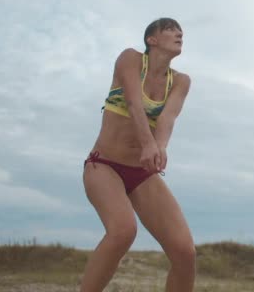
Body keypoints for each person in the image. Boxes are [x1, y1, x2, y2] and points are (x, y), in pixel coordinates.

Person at [80, 18, 195, 292]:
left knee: (184, 252)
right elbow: (133, 102)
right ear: (151, 39)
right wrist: (148, 144)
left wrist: (161, 146)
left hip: (141, 173)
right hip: (104, 165)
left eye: (181, 31)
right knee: (123, 231)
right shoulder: (130, 58)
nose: (179, 33)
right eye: (170, 29)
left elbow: (168, 117)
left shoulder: (180, 80)